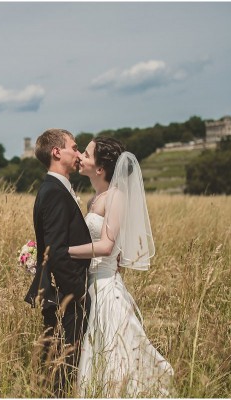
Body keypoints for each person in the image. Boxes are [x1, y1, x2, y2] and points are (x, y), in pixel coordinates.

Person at [69, 137, 174, 397]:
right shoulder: (95, 199)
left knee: (115, 355)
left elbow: (106, 246)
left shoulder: (115, 196)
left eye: (87, 153)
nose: (81, 156)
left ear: (100, 168)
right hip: (93, 285)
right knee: (99, 354)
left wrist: (62, 252)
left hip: (106, 289)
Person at [24, 128, 93, 397]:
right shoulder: (53, 191)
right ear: (56, 152)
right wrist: (78, 292)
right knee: (65, 369)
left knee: (68, 365)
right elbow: (55, 251)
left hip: (68, 291)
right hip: (68, 296)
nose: (78, 153)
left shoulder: (56, 188)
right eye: (74, 148)